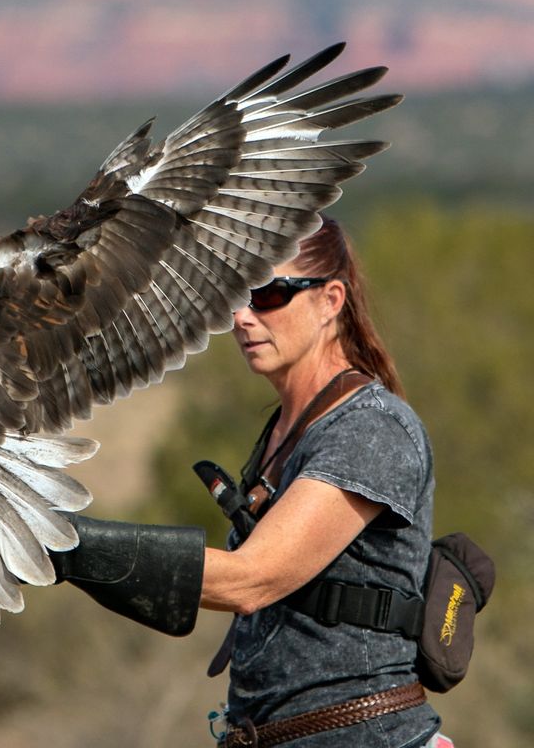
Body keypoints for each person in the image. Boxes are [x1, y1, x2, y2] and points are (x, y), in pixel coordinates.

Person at [51, 218, 451, 747]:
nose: (241, 317)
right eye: (234, 296)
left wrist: (57, 544)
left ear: (331, 300)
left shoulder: (371, 428)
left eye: (268, 294)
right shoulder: (286, 429)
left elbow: (252, 579)